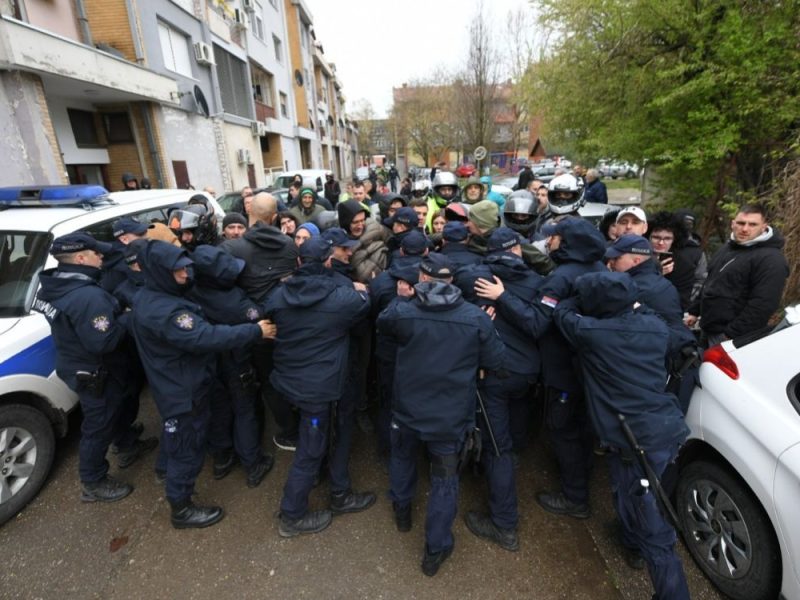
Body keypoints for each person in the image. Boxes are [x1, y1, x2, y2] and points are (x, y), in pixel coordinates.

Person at [554, 271, 691, 600]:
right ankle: (630, 539)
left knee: (657, 532)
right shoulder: (656, 327)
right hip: (665, 427)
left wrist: (576, 296)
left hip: (636, 439)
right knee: (629, 492)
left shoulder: (593, 332)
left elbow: (561, 313)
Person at [377, 253, 506, 576]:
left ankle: (402, 509)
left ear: (421, 279)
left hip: (406, 408)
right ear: (452, 281)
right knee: (445, 479)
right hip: (451, 416)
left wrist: (399, 298)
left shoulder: (403, 313)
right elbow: (496, 359)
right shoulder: (475, 318)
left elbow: (384, 325)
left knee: (403, 456)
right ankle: (435, 549)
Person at [132, 240, 275, 528]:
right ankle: (182, 509)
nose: (187, 275)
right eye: (179, 271)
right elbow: (204, 337)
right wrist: (254, 331)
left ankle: (182, 472)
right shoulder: (168, 311)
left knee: (188, 438)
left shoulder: (152, 296)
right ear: (161, 273)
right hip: (183, 390)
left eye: (187, 268)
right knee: (186, 449)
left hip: (178, 382)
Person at [475, 217, 607, 519]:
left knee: (563, 432)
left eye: (556, 237)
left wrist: (501, 296)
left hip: (564, 370)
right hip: (592, 366)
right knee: (583, 430)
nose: (549, 242)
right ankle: (580, 484)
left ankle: (575, 498)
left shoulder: (560, 278)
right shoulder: (599, 269)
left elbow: (536, 323)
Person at [265, 237, 375, 537]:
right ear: (328, 260)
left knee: (317, 436)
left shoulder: (279, 294)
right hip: (320, 389)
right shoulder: (342, 298)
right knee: (311, 447)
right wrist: (357, 288)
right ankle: (292, 515)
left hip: (290, 381)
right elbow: (366, 301)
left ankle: (335, 487)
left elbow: (267, 311)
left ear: (299, 262)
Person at [35, 233, 155, 503]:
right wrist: (125, 319)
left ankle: (126, 445)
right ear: (80, 258)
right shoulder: (87, 297)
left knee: (118, 407)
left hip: (76, 360)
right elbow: (105, 341)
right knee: (98, 425)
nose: (101, 257)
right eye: (96, 254)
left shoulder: (54, 283)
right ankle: (93, 481)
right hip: (94, 369)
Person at [455, 228, 543, 553]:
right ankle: (509, 465)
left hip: (493, 375)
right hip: (525, 373)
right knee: (513, 432)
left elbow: (456, 321)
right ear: (517, 250)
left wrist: (498, 300)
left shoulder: (475, 279)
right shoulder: (536, 279)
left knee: (497, 447)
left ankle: (504, 525)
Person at [221, 192, 300, 450]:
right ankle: (298, 420)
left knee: (268, 379)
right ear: (275, 216)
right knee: (290, 370)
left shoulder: (233, 248)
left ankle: (288, 430)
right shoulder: (289, 244)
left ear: (249, 215)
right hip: (288, 321)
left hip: (257, 327)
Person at [686, 204, 789, 347]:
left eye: (752, 224)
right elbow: (711, 282)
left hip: (732, 338)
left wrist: (731, 334)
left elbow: (763, 304)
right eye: (741, 223)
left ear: (764, 227)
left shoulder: (771, 259)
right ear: (733, 224)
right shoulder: (728, 248)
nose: (745, 229)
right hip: (708, 328)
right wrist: (694, 311)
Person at [646, 211, 707, 311]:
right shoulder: (638, 256)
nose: (661, 243)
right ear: (649, 236)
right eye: (656, 237)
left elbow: (693, 286)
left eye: (667, 238)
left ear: (674, 240)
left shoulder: (684, 261)